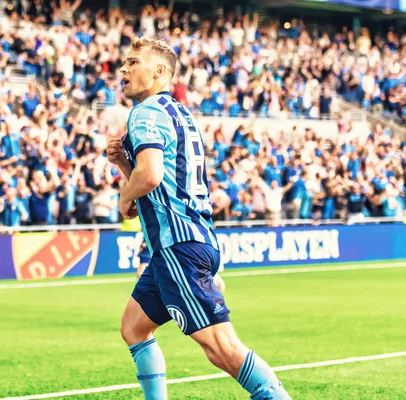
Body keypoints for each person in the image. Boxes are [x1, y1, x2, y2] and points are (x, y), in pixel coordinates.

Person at [107, 37, 290, 400]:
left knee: (221, 347)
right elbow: (160, 177)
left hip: (179, 246)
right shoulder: (179, 113)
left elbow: (150, 177)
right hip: (184, 241)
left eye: (132, 62)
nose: (123, 69)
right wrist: (122, 164)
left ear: (159, 72)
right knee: (134, 327)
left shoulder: (144, 112)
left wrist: (123, 197)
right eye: (123, 63)